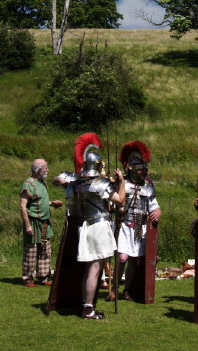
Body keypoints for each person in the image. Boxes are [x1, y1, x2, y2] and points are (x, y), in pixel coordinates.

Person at [65, 133, 125, 319]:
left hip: (84, 226)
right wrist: (121, 182)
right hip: (98, 226)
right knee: (94, 268)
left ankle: (86, 304)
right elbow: (120, 201)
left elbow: (72, 208)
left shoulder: (76, 185)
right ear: (98, 165)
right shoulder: (101, 183)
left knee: (91, 267)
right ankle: (88, 308)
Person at [117, 140, 161, 302]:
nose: (142, 173)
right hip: (124, 225)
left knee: (134, 260)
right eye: (140, 170)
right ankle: (114, 287)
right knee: (122, 258)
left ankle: (127, 290)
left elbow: (154, 206)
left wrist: (157, 212)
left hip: (140, 227)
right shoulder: (122, 183)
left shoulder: (148, 186)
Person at [20, 159, 62, 287]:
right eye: (45, 168)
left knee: (45, 249)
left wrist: (51, 203)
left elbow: (39, 201)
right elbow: (23, 206)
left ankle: (43, 277)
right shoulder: (28, 184)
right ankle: (27, 278)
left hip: (44, 224)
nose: (47, 170)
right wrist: (27, 225)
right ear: (38, 170)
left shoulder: (42, 183)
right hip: (33, 223)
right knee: (31, 250)